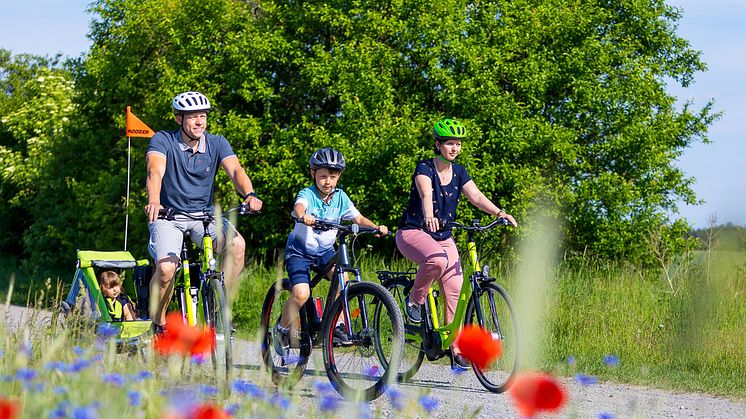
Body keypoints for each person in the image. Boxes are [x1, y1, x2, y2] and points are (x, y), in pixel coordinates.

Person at [395, 118, 517, 369]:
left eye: (458, 144)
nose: (454, 148)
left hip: (443, 235)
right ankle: (415, 301)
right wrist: (428, 215)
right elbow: (426, 192)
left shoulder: (459, 172)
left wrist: (499, 213)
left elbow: (476, 196)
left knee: (456, 288)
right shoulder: (425, 168)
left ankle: (456, 347)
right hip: (414, 232)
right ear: (438, 144)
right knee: (437, 259)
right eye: (449, 143)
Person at [145, 91, 263, 334]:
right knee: (167, 270)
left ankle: (220, 308)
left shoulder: (217, 143)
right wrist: (154, 200)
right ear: (179, 119)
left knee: (237, 246)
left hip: (203, 217)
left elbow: (236, 171)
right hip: (169, 216)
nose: (199, 122)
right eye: (192, 117)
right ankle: (159, 323)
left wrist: (249, 194)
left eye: (203, 116)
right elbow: (154, 171)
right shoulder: (162, 140)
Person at [271, 147, 388, 355]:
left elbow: (358, 219)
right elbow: (299, 206)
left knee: (343, 281)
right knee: (301, 293)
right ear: (313, 174)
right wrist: (303, 215)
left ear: (338, 177)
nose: (328, 182)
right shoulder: (308, 194)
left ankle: (336, 324)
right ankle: (281, 329)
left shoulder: (340, 197)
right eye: (323, 176)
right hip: (300, 251)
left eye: (332, 177)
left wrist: (375, 227)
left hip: (325, 251)